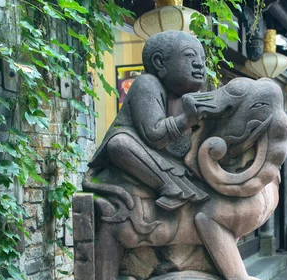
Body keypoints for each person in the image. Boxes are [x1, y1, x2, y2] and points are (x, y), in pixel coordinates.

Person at [87, 31, 217, 211]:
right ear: (159, 62)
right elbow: (154, 135)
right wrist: (186, 119)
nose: (199, 64)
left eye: (202, 58)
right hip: (138, 155)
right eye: (189, 55)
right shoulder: (147, 84)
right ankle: (170, 187)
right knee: (119, 143)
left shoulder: (189, 96)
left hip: (174, 160)